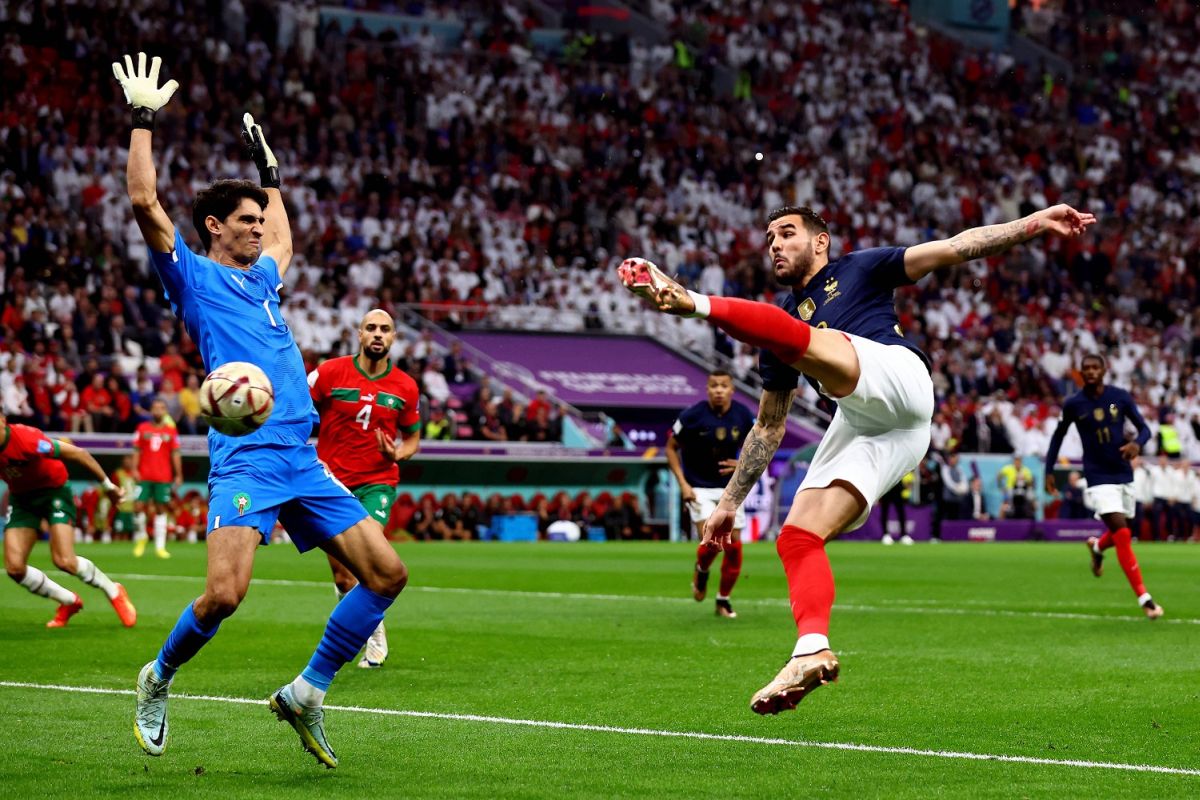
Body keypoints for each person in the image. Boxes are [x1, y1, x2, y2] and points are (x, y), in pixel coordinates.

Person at [620, 201, 1094, 714]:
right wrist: (730, 504)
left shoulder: (860, 268)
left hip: (900, 379)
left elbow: (957, 247)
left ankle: (691, 301)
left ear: (820, 241)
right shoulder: (777, 325)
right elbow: (769, 425)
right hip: (880, 428)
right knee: (798, 536)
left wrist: (1033, 223)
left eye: (787, 233)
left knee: (802, 340)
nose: (775, 244)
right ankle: (811, 650)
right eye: (769, 237)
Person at [116, 54, 407, 768]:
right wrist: (143, 120)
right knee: (224, 596)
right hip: (245, 456)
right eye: (245, 221)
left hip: (302, 457)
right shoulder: (193, 275)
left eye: (257, 220)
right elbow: (145, 204)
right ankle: (159, 675)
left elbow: (285, 240)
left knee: (387, 575)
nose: (258, 231)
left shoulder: (263, 278)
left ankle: (308, 692)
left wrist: (270, 177)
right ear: (215, 226)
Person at [308, 309, 421, 668]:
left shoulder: (405, 386)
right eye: (371, 328)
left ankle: (373, 635)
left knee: (369, 554)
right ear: (359, 334)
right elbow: (296, 408)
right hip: (330, 485)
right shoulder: (328, 373)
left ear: (393, 338)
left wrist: (398, 452)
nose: (377, 334)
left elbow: (413, 437)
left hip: (377, 482)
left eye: (385, 329)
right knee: (343, 573)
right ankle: (371, 625)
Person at [1044, 354, 1161, 619]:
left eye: (1095, 367)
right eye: (1086, 368)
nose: (1091, 372)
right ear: (1081, 373)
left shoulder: (1120, 397)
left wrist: (1136, 444)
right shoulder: (1074, 404)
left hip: (1122, 472)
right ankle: (1145, 599)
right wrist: (1048, 470)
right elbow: (1057, 437)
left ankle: (1097, 548)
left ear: (1104, 370)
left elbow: (1145, 429)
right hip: (1097, 477)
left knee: (1121, 527)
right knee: (1122, 534)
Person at [1, 413, 137, 628]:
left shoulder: (27, 439)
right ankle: (69, 601)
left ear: (2, 421)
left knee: (64, 561)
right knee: (15, 568)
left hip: (54, 491)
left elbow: (79, 454)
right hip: (22, 500)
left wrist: (109, 487)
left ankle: (114, 590)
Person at [665, 369, 755, 618]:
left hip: (731, 489)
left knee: (734, 545)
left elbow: (759, 445)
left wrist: (744, 463)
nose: (718, 390)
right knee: (712, 539)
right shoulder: (692, 415)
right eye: (714, 385)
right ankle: (702, 569)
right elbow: (671, 448)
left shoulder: (743, 414)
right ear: (707, 389)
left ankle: (723, 600)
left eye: (723, 385)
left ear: (731, 389)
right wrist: (683, 485)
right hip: (698, 487)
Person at [131, 398, 182, 558]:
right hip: (144, 475)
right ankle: (142, 537)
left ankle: (160, 546)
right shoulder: (142, 428)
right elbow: (136, 450)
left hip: (163, 477)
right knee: (138, 506)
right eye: (155, 407)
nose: (158, 411)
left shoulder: (171, 431)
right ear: (151, 410)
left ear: (165, 411)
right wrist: (134, 469)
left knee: (161, 509)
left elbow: (175, 454)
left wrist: (178, 474)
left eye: (161, 408)